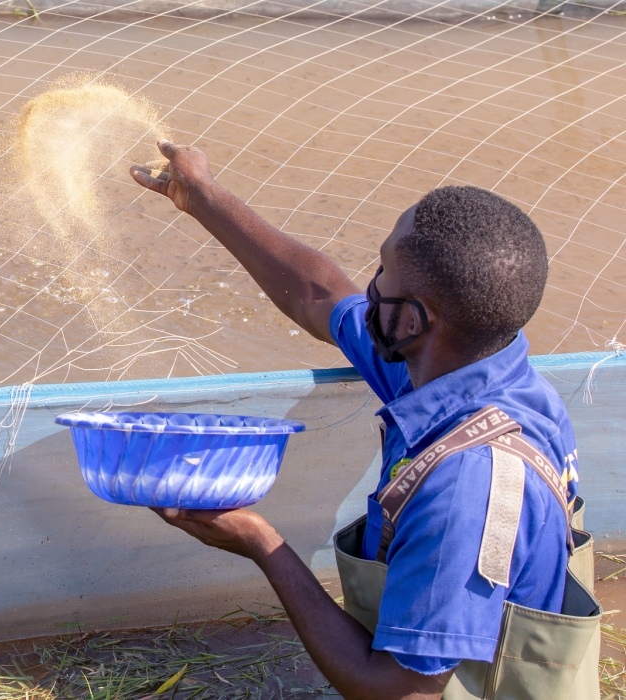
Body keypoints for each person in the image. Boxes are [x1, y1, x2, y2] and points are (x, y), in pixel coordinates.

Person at [129, 140, 598, 700]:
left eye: (383, 273)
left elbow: (399, 692)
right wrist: (202, 196)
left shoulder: (467, 483)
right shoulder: (467, 367)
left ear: (412, 321)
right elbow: (317, 294)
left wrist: (260, 542)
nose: (368, 287)